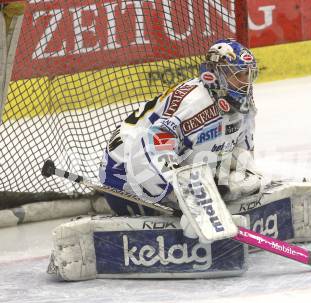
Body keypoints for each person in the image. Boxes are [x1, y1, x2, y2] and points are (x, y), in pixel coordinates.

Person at [99, 39, 261, 220]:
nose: (245, 82)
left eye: (248, 74)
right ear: (216, 74)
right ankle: (176, 198)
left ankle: (186, 194)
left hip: (171, 163)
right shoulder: (194, 102)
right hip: (123, 173)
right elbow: (152, 143)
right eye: (238, 75)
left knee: (245, 181)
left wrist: (236, 182)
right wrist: (183, 196)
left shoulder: (242, 103)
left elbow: (242, 150)